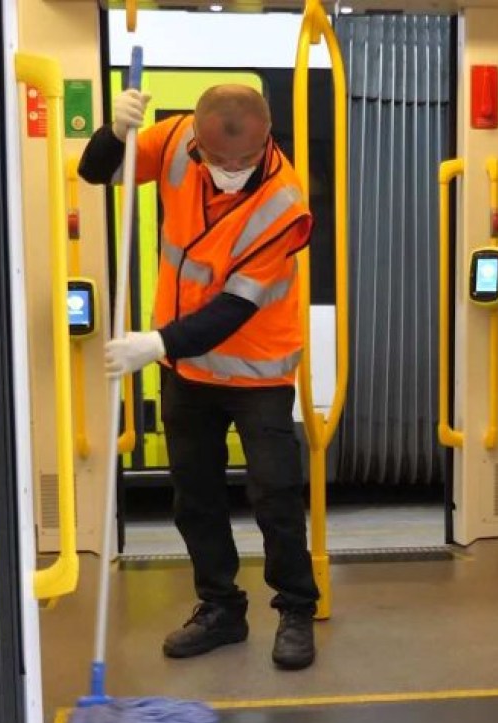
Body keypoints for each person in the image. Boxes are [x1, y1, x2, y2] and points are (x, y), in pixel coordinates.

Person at [78, 83, 318, 670]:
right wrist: (114, 131)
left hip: (257, 373)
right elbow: (94, 173)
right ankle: (220, 609)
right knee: (195, 497)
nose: (234, 169)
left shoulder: (284, 202)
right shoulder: (175, 141)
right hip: (186, 371)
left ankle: (295, 609)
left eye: (246, 158)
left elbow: (234, 309)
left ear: (267, 139)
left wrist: (153, 342)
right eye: (221, 159)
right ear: (198, 146)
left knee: (276, 495)